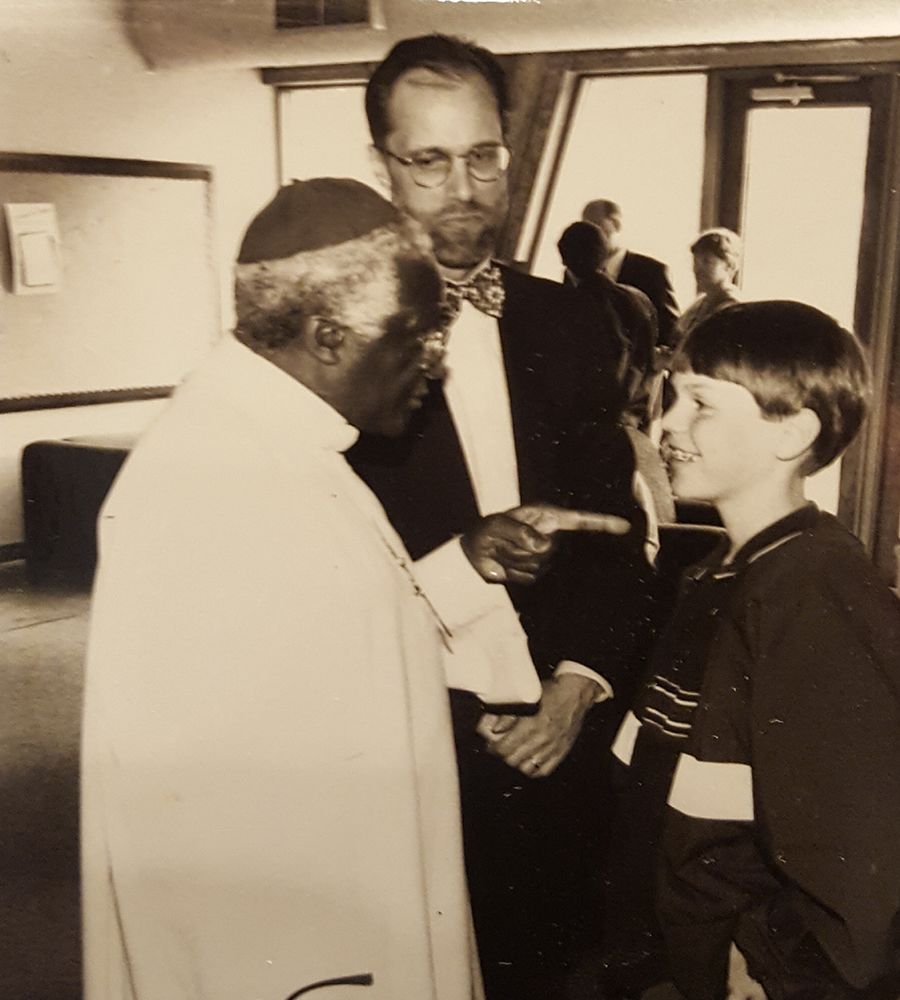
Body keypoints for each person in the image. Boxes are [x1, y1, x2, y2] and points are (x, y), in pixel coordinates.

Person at [82, 177, 498, 1000]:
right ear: (332, 335)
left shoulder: (284, 446)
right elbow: (238, 823)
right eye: (417, 334)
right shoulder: (220, 485)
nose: (434, 362)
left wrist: (463, 565)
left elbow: (344, 643)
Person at [348, 33, 658, 1000]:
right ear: (381, 168)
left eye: (485, 155)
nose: (465, 187)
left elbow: (617, 536)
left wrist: (578, 684)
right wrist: (462, 557)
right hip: (396, 745)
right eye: (429, 161)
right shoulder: (332, 340)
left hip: (559, 742)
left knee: (549, 966)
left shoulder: (569, 322)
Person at [602, 301, 900, 1000]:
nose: (667, 422)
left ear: (791, 431)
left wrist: (772, 967)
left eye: (700, 402)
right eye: (671, 395)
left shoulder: (813, 591)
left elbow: (858, 863)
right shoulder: (717, 576)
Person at [558, 219, 659, 431]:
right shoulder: (638, 298)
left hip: (595, 422)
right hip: (634, 419)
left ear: (564, 260)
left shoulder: (572, 305)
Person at [582, 198, 680, 351]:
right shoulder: (580, 271)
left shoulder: (653, 271)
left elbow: (670, 330)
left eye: (597, 226)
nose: (592, 237)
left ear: (616, 225)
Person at [673, 226, 742, 345]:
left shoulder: (732, 306)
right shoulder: (698, 304)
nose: (698, 269)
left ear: (728, 266)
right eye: (696, 262)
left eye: (707, 262)